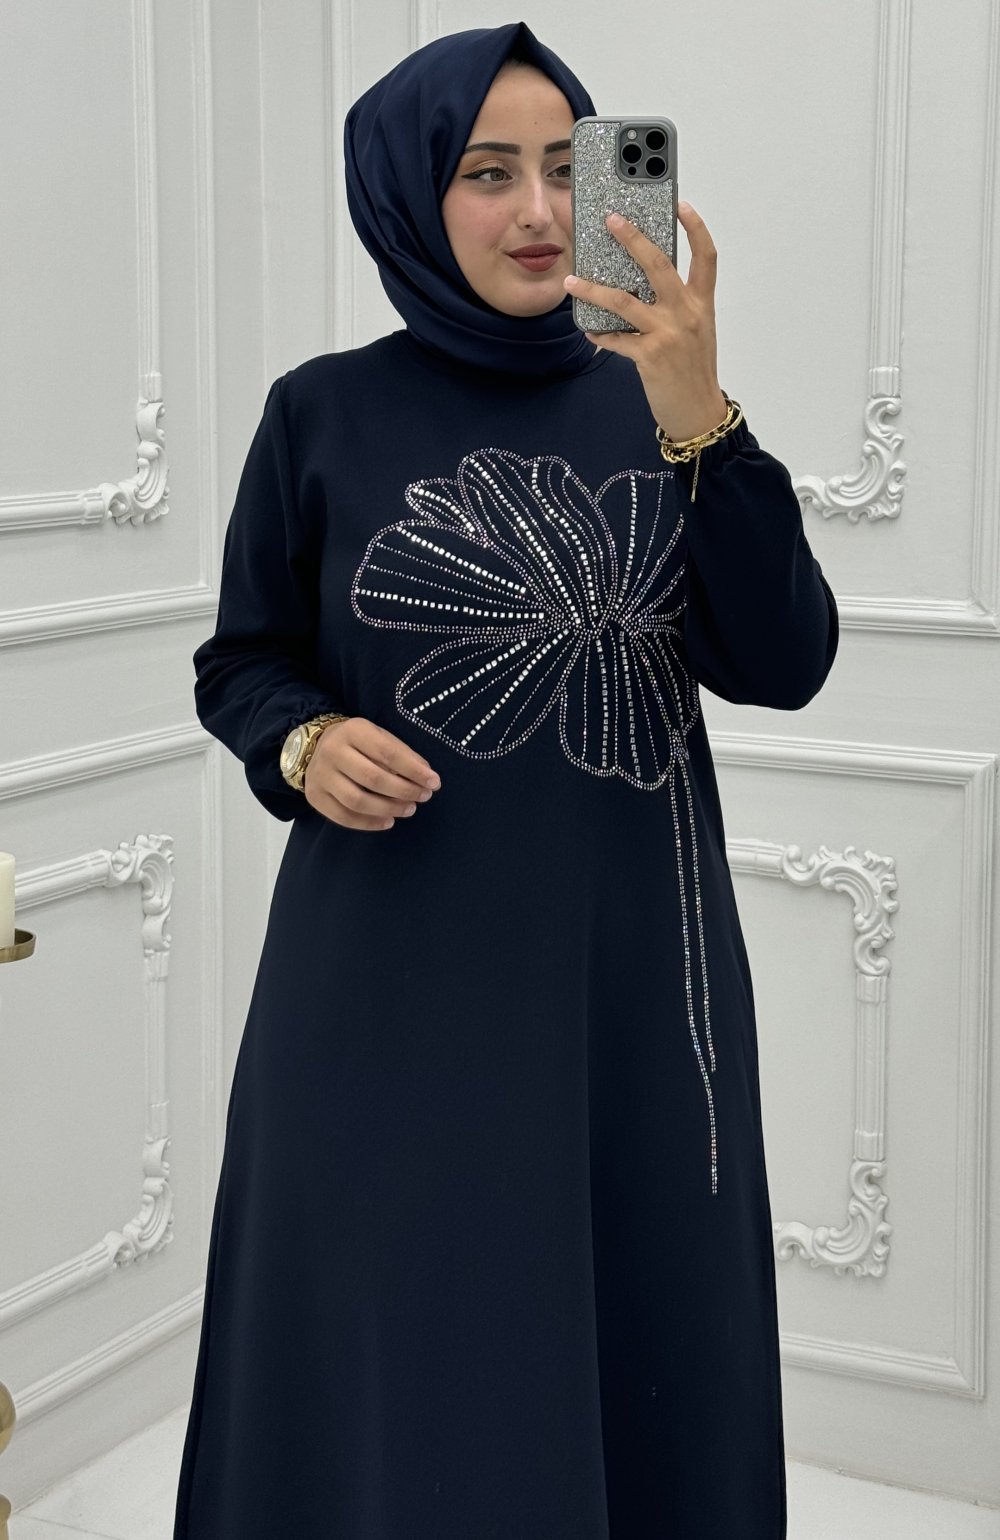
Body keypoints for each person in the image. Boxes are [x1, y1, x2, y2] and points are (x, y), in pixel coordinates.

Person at [173, 20, 837, 1539]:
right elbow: (243, 660)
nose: (540, 210)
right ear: (411, 193)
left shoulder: (661, 399)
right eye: (487, 172)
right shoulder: (319, 410)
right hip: (384, 990)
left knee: (639, 1327)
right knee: (409, 1341)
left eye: (565, 166)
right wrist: (302, 742)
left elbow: (785, 659)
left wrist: (702, 415)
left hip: (627, 992)